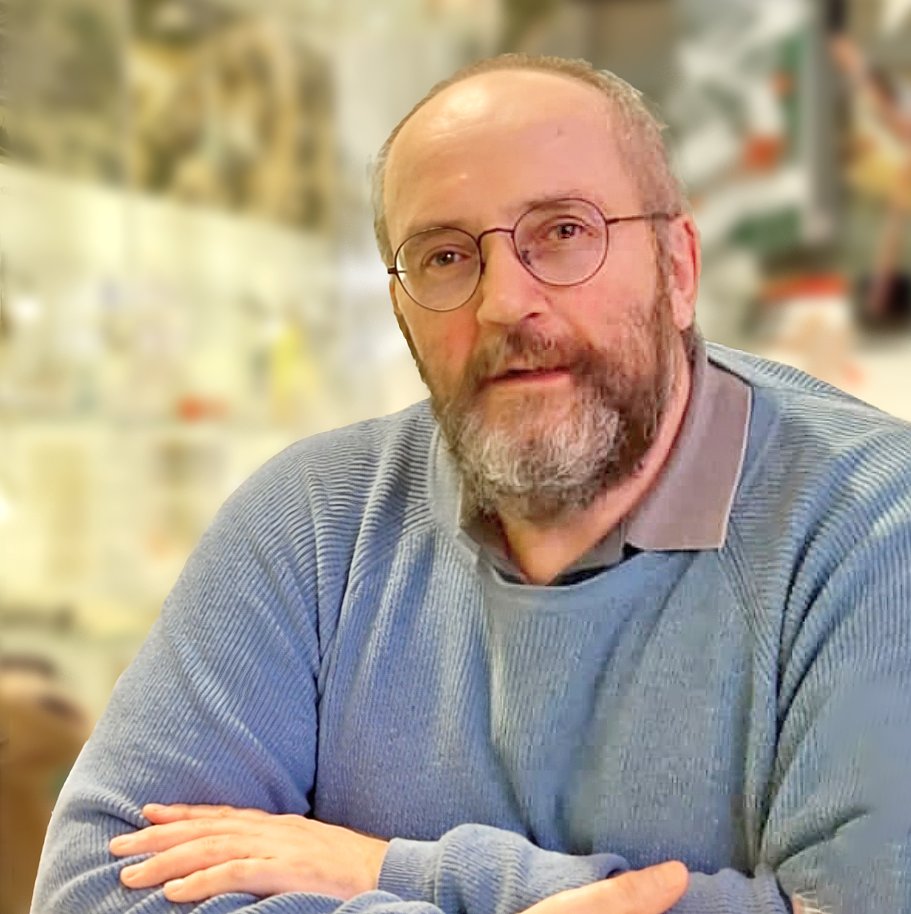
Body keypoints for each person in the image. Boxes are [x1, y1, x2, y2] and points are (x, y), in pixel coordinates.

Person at [30, 53, 911, 914]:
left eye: (563, 232)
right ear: (400, 309)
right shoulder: (311, 521)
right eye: (445, 257)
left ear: (677, 268)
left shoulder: (873, 523)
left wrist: (385, 870)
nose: (502, 302)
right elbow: (96, 887)